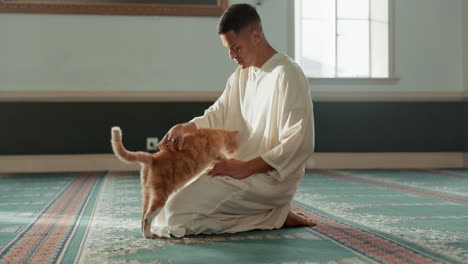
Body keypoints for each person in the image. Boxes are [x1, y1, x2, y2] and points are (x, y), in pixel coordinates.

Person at [153, 3, 315, 237]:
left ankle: (274, 213)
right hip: (237, 169)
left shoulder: (288, 74)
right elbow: (218, 113)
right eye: (228, 50)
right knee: (166, 203)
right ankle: (272, 215)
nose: (232, 56)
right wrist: (183, 128)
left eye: (236, 48)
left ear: (256, 35)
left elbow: (300, 143)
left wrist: (246, 167)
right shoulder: (242, 75)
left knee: (177, 215)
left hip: (268, 178)